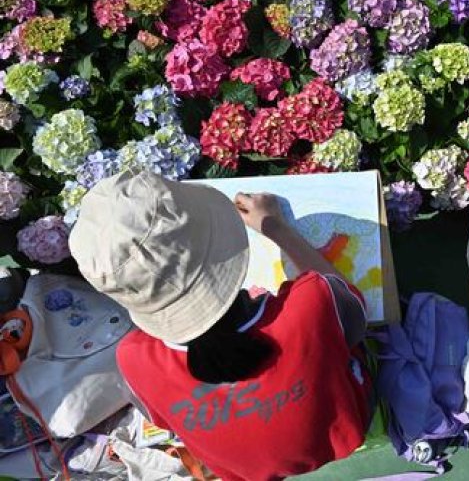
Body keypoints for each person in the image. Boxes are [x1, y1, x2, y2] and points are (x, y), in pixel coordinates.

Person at [68, 171, 372, 481]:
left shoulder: (134, 358)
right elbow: (357, 312)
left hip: (246, 472)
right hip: (346, 430)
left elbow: (165, 421)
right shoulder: (311, 301)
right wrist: (275, 227)